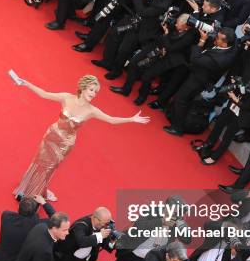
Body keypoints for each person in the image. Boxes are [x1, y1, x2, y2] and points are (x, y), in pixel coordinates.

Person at [12, 74, 149, 201]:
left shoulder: (92, 111)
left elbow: (111, 120)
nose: (93, 94)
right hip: (52, 135)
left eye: (95, 92)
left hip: (64, 144)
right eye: (91, 90)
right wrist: (27, 84)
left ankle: (36, 194)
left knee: (49, 168)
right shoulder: (66, 97)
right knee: (38, 161)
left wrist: (131, 119)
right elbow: (45, 94)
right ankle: (25, 187)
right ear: (83, 88)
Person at [163, 28, 237, 136]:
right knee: (185, 99)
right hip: (199, 76)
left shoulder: (220, 59)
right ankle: (177, 118)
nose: (214, 38)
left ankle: (177, 128)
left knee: (181, 99)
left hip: (198, 80)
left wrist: (202, 40)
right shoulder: (230, 47)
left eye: (218, 38)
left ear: (225, 44)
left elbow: (195, 59)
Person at [197, 65, 250, 165]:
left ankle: (214, 157)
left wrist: (234, 97)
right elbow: (242, 93)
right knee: (219, 123)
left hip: (242, 115)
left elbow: (246, 106)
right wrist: (235, 85)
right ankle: (207, 145)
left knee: (228, 136)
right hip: (233, 107)